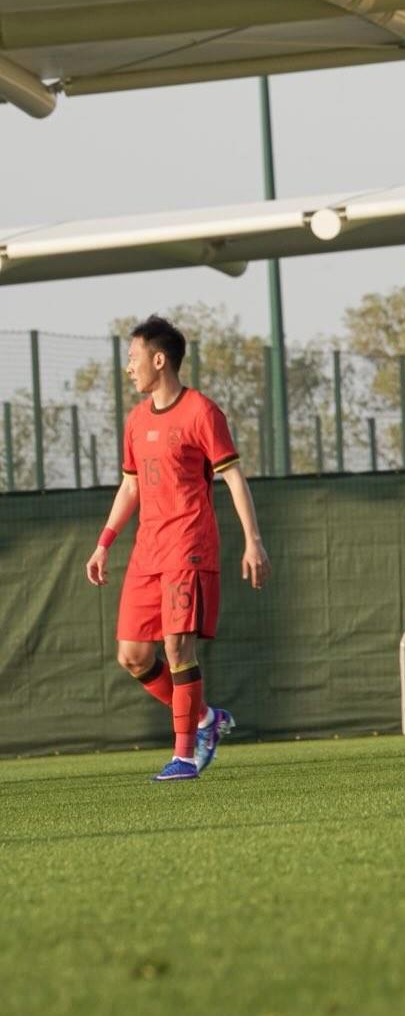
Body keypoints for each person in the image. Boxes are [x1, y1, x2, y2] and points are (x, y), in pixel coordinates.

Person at [85, 315, 271, 781]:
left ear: (159, 360)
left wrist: (253, 541)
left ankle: (184, 756)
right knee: (132, 655)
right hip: (147, 552)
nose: (129, 367)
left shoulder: (202, 412)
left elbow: (233, 477)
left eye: (134, 357)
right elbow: (131, 486)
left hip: (189, 546)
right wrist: (104, 543)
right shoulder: (135, 420)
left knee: (176, 647)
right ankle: (205, 718)